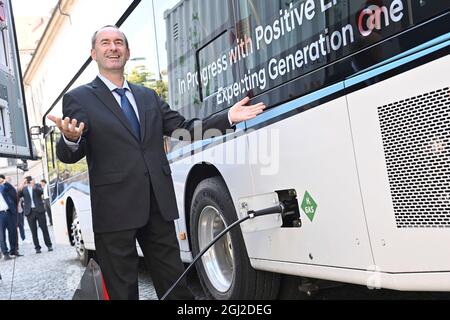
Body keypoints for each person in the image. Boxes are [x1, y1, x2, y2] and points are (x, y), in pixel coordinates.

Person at [48, 25, 265, 300]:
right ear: (94, 53)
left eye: (118, 42)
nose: (113, 47)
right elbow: (69, 154)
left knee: (176, 287)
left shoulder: (147, 96)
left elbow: (184, 129)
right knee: (122, 292)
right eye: (105, 43)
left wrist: (229, 118)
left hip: (157, 207)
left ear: (128, 52)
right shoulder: (78, 98)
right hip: (114, 212)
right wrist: (69, 138)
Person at [18, 176, 53, 254]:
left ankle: (49, 245)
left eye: (29, 180)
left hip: (39, 211)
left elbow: (41, 192)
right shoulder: (24, 188)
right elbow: (19, 195)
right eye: (27, 181)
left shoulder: (37, 185)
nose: (28, 182)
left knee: (44, 229)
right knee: (33, 231)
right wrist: (21, 185)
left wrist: (33, 185)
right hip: (30, 212)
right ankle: (37, 247)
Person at [0, 174, 18, 260]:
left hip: (9, 212)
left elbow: (14, 192)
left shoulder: (3, 187)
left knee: (12, 232)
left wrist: (5, 182)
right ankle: (5, 253)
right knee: (1, 235)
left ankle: (13, 251)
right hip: (0, 215)